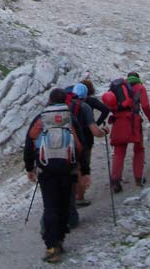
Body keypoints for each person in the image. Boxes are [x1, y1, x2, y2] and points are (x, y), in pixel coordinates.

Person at [24, 88, 82, 264]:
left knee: (50, 206)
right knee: (64, 204)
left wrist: (30, 168)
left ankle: (51, 247)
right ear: (66, 101)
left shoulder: (41, 118)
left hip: (46, 170)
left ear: (49, 100)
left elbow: (29, 142)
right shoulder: (70, 119)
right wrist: (83, 170)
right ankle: (60, 240)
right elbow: (80, 146)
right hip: (67, 168)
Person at [102, 71, 150, 192]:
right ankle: (138, 178)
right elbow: (145, 106)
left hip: (118, 121)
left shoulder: (120, 89)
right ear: (138, 78)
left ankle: (115, 181)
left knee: (119, 152)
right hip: (133, 122)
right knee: (139, 149)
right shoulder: (140, 88)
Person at [65, 83, 109, 207]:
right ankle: (80, 197)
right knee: (82, 168)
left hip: (66, 142)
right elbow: (96, 131)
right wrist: (104, 130)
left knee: (69, 169)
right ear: (85, 95)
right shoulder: (85, 106)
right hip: (85, 140)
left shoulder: (65, 106)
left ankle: (69, 197)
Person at [76, 78, 111, 205]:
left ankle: (74, 194)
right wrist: (96, 124)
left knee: (75, 166)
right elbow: (106, 109)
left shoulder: (70, 104)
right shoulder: (90, 101)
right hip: (87, 136)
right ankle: (80, 196)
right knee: (85, 165)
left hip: (73, 137)